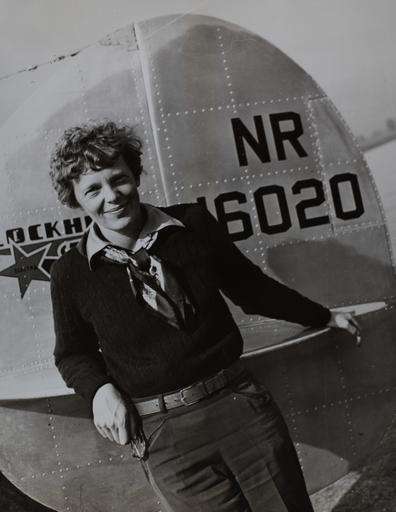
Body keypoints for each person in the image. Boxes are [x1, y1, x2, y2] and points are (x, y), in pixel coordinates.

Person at [49, 121, 360, 512]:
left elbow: (251, 289)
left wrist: (324, 315)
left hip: (240, 407)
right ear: (74, 199)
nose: (112, 196)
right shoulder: (70, 273)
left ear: (135, 175)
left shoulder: (192, 226)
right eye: (93, 189)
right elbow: (72, 353)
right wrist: (98, 390)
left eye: (119, 179)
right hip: (164, 437)